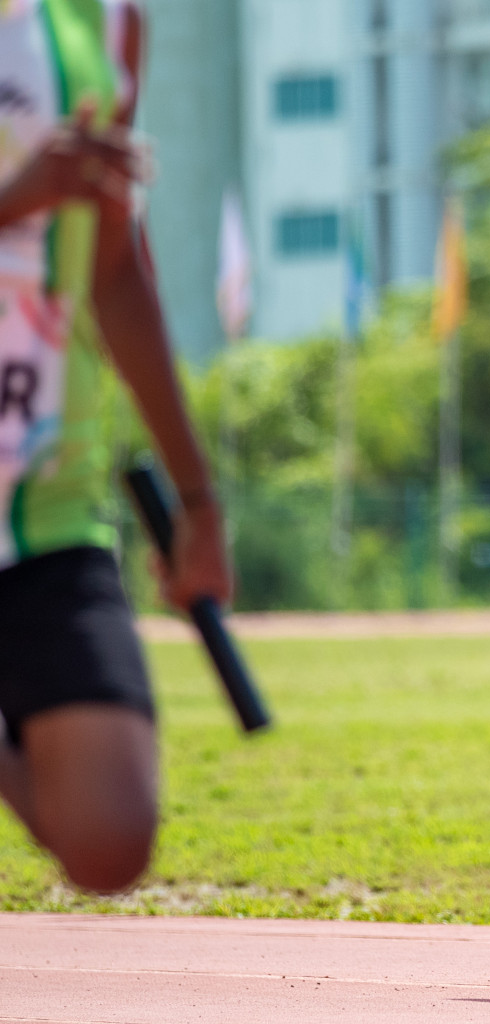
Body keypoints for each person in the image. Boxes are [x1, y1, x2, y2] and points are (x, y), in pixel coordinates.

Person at [0, 0, 231, 893]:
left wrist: (199, 504)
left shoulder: (107, 22)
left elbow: (115, 268)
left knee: (108, 842)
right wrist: (18, 198)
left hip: (44, 493)